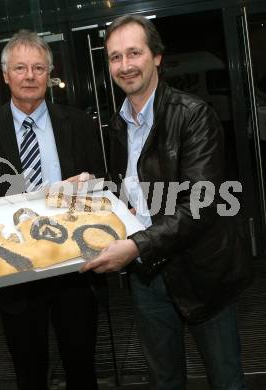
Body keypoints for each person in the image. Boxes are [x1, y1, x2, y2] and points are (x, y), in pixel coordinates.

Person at [82, 15, 254, 390]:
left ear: (156, 56)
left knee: (226, 380)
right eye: (115, 57)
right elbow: (136, 191)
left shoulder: (193, 116)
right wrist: (95, 189)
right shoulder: (117, 125)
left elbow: (201, 204)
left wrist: (135, 245)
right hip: (147, 276)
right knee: (164, 380)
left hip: (201, 273)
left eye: (134, 53)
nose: (125, 66)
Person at [0, 30, 104, 390]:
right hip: (16, 272)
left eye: (39, 67)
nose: (29, 76)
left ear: (49, 75)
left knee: (82, 366)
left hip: (74, 264)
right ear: (5, 75)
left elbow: (103, 189)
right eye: (20, 68)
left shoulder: (78, 123)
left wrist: (88, 188)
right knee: (28, 372)